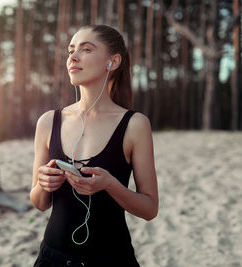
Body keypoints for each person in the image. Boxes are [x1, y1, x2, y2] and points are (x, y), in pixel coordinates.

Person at [30, 24, 158, 267]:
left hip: (112, 260)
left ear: (113, 61)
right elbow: (39, 202)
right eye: (70, 51)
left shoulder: (135, 125)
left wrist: (110, 185)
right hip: (52, 259)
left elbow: (150, 208)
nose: (73, 57)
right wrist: (43, 183)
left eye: (86, 50)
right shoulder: (48, 122)